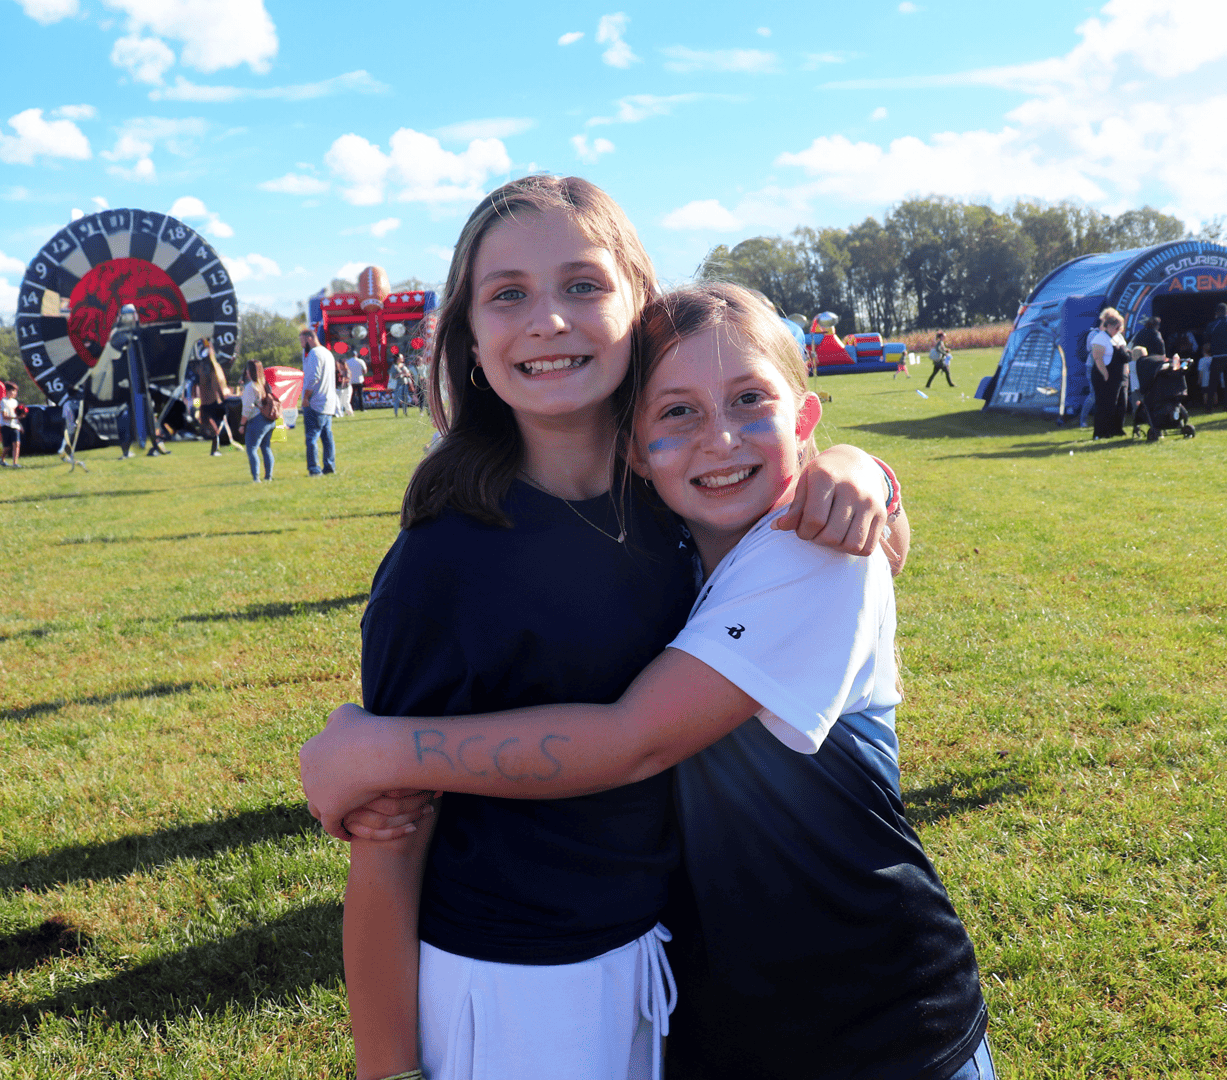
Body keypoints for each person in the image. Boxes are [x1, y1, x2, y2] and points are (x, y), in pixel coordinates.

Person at [297, 175, 909, 1080]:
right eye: (507, 294)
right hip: (509, 986)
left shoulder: (673, 503)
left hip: (665, 970)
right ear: (467, 339)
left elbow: (833, 537)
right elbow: (387, 844)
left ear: (638, 303)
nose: (548, 319)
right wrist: (386, 1071)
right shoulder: (444, 563)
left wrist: (862, 472)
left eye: (583, 284)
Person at [1088, 308, 1131, 438]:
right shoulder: (1100, 338)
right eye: (1117, 326)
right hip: (1106, 375)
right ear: (1109, 326)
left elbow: (1125, 356)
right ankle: (1102, 432)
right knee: (1106, 404)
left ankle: (1117, 429)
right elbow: (1097, 358)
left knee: (1121, 404)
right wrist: (1105, 374)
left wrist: (1126, 371)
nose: (1119, 329)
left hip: (1121, 376)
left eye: (1121, 326)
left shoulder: (1119, 338)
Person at [300, 327, 337, 475]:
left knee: (312, 437)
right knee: (327, 437)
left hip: (316, 401)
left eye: (302, 341)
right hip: (328, 401)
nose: (302, 345)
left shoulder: (315, 353)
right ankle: (329, 465)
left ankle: (314, 469)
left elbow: (312, 378)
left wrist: (306, 397)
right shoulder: (327, 353)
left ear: (309, 338)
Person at [195, 340, 235, 455]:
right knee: (214, 429)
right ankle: (219, 448)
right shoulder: (209, 368)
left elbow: (216, 385)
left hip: (211, 404)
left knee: (215, 430)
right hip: (210, 404)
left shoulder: (208, 368)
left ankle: (219, 448)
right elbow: (216, 385)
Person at [240, 359, 277, 481]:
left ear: (249, 371)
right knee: (266, 447)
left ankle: (256, 478)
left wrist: (242, 424)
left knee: (252, 449)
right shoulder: (264, 384)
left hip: (257, 420)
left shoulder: (250, 387)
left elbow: (247, 408)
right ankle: (268, 476)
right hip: (269, 420)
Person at [1201, 303, 1227, 410]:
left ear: (1217, 313)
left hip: (1218, 356)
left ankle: (1209, 407)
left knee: (1213, 382)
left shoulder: (1212, 325)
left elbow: (1207, 339)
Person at [0, 384, 25, 467]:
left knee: (17, 444)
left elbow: (17, 415)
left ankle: (15, 463)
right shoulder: (3, 401)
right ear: (7, 391)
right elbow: (4, 416)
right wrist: (16, 417)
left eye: (16, 391)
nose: (14, 393)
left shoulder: (15, 402)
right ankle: (1, 459)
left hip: (14, 426)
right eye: (13, 391)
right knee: (7, 447)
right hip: (6, 426)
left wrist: (20, 425)